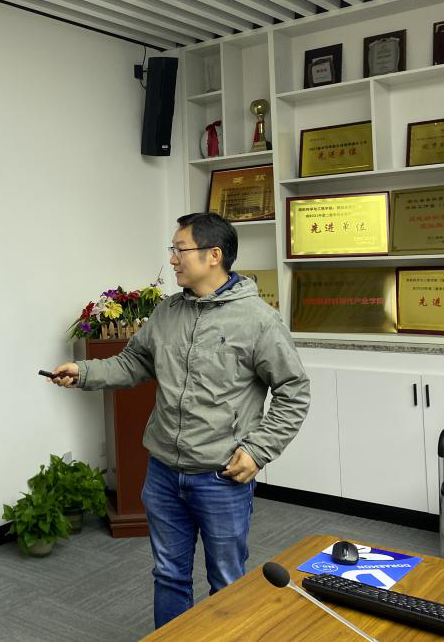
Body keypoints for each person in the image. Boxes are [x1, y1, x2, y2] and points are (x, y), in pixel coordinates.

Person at [46, 212, 310, 628]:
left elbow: (294, 391)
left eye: (180, 249)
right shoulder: (168, 312)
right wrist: (84, 373)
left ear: (213, 255)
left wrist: (259, 451)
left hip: (221, 476)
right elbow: (134, 362)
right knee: (169, 575)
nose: (172, 259)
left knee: (227, 582)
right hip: (164, 473)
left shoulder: (258, 320)